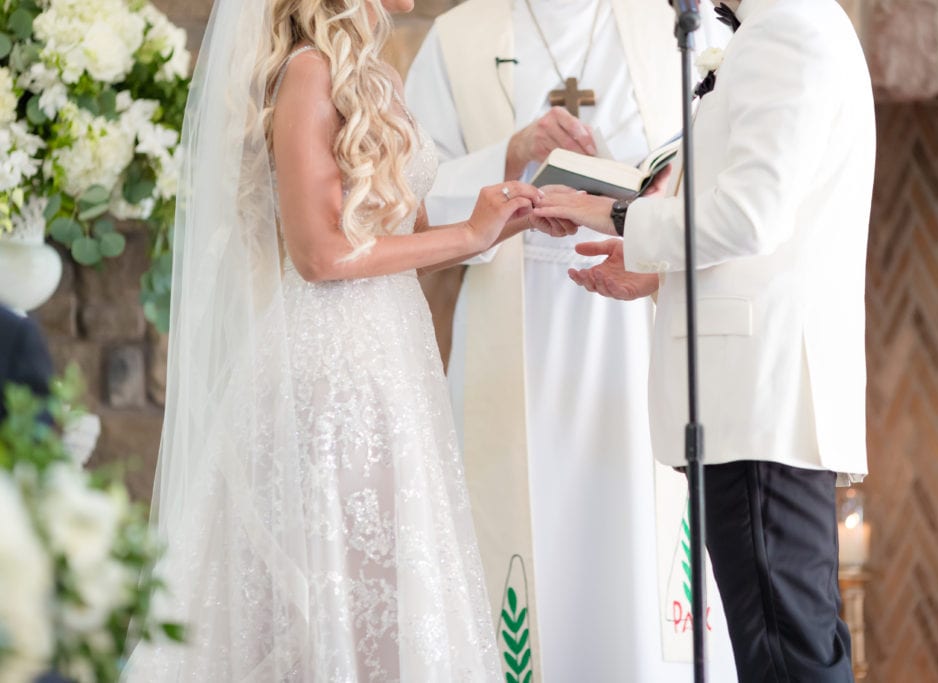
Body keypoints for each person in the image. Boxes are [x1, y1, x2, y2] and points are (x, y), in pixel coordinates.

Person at [121, 0, 559, 678]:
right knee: (332, 597)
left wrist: (501, 223)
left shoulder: (368, 74)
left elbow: (391, 243)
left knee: (386, 597)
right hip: (331, 381)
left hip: (388, 361)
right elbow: (321, 255)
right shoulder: (308, 72)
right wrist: (469, 234)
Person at [534, 0, 875, 680]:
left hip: (757, 399)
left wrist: (614, 211)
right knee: (792, 645)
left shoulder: (790, 31)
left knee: (786, 654)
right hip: (757, 397)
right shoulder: (789, 28)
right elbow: (776, 234)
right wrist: (656, 276)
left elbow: (750, 217)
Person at [404, 2, 734, 680]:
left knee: (638, 546)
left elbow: (732, 164)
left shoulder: (683, 22)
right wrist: (512, 153)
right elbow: (410, 200)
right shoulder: (459, 36)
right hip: (516, 321)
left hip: (639, 317)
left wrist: (655, 189)